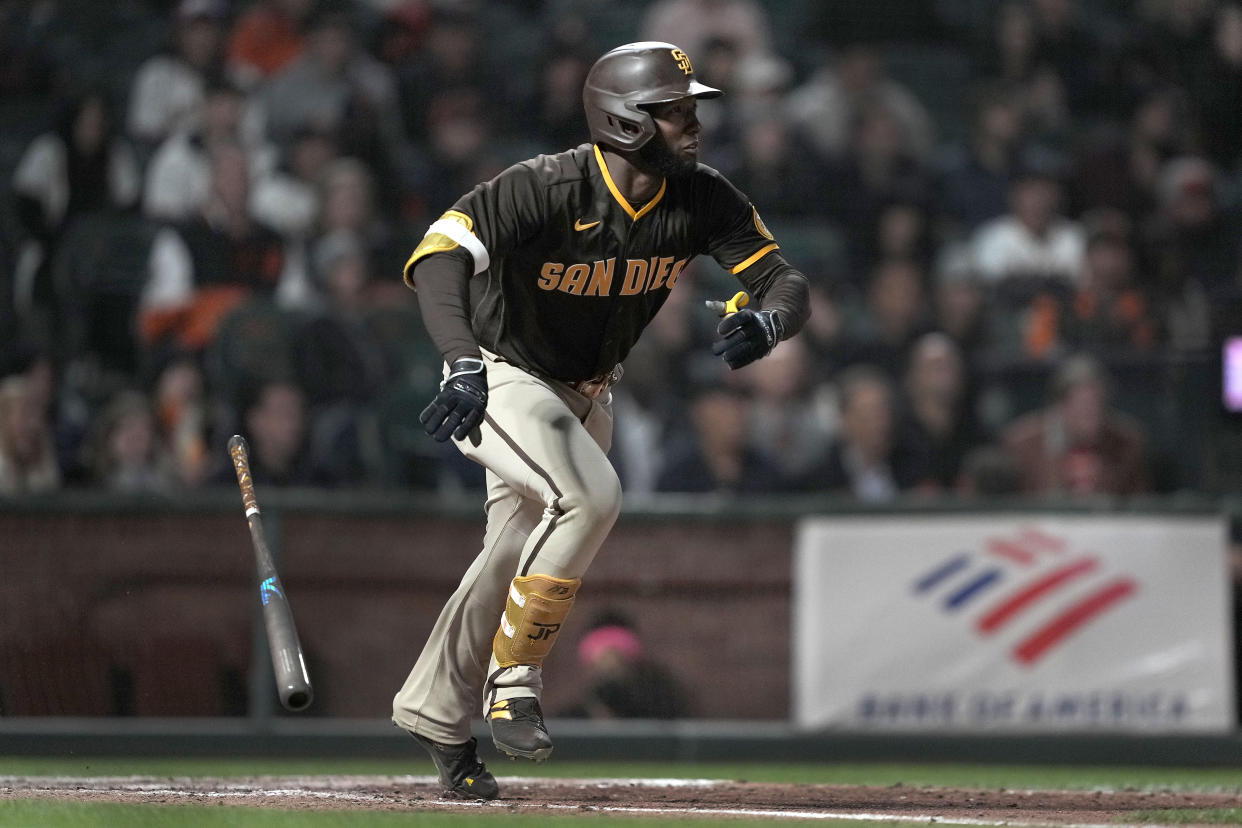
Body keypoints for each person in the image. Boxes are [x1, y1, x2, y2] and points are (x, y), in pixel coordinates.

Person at [391, 41, 809, 801]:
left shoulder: (699, 196)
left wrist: (771, 322)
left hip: (590, 393)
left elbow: (783, 279)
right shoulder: (547, 185)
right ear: (623, 120)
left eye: (691, 109)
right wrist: (458, 360)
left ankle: (436, 717)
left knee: (507, 558)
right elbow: (439, 255)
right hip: (502, 377)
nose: (692, 122)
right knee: (591, 497)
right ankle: (514, 681)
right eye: (673, 110)